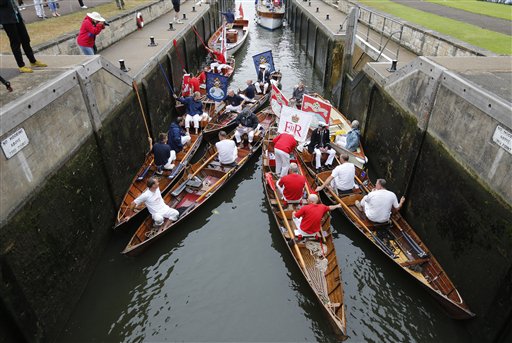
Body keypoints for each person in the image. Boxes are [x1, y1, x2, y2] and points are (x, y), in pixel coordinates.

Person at [0, 0, 47, 73]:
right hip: (7, 19)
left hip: (16, 15)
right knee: (15, 42)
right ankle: (21, 66)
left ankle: (33, 61)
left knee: (25, 38)